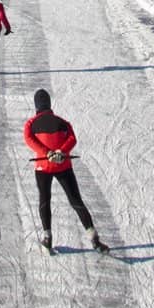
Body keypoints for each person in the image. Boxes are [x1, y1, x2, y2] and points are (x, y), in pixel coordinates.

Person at [24, 89, 108, 254]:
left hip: (43, 167)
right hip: (63, 166)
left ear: (36, 106)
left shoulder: (31, 123)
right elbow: (72, 139)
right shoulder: (62, 122)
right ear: (49, 104)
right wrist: (61, 152)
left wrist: (46, 153)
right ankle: (94, 238)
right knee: (76, 201)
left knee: (45, 200)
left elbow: (29, 139)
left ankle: (47, 237)